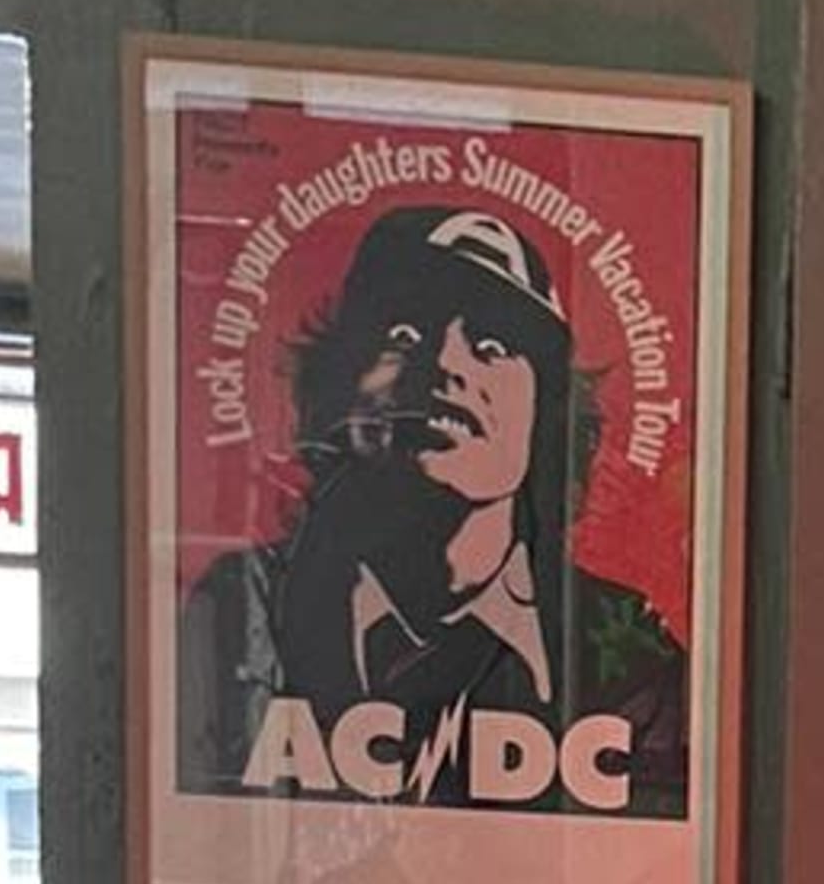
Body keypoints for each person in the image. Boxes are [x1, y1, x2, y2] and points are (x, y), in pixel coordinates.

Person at [176, 205, 688, 816]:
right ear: (338, 385)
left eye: (493, 345)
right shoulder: (244, 605)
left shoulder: (633, 657)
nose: (446, 364)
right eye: (403, 336)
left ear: (548, 416)